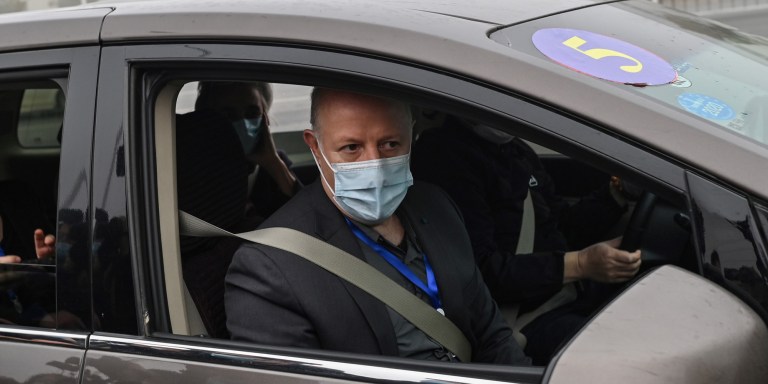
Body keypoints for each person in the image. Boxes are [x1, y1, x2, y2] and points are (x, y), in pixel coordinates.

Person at [225, 88, 530, 364]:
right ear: (315, 148)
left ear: (412, 137)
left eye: (389, 144)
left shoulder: (437, 207)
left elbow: (491, 334)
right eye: (351, 148)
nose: (375, 165)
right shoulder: (269, 267)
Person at [411, 115, 642, 364]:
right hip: (521, 317)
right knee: (619, 356)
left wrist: (617, 193)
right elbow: (479, 272)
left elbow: (561, 225)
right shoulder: (445, 159)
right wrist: (578, 265)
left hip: (565, 294)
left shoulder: (516, 150)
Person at [193, 81, 301, 218]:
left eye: (252, 113)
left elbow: (311, 215)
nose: (243, 124)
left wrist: (273, 163)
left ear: (264, 118)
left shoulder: (275, 164)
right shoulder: (194, 169)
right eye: (229, 115)